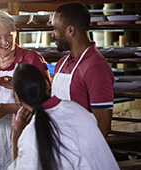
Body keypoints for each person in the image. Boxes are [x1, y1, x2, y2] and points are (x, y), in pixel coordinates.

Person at [0, 10, 51, 170]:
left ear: (16, 33)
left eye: (9, 35)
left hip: (23, 138)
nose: (5, 42)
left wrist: (9, 109)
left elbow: (46, 101)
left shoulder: (32, 59)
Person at [8, 63, 119, 170]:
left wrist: (16, 133)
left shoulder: (31, 133)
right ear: (47, 85)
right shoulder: (77, 109)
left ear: (17, 98)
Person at [51, 2, 114, 138]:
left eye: (55, 28)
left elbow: (102, 127)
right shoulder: (61, 63)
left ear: (70, 30)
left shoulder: (96, 68)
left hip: (80, 153)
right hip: (59, 148)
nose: (52, 34)